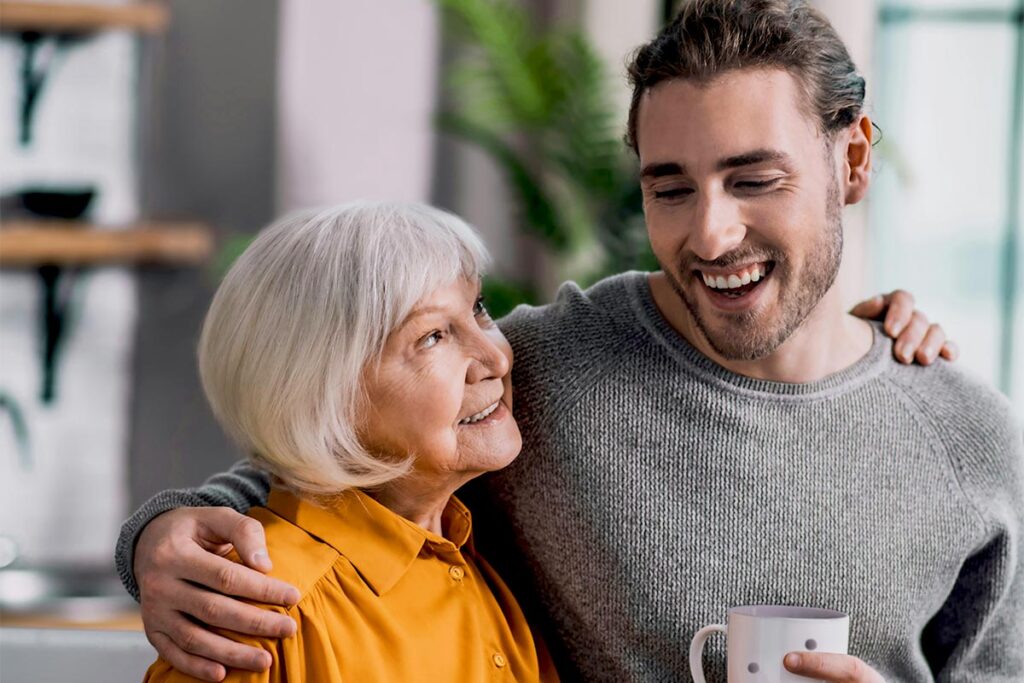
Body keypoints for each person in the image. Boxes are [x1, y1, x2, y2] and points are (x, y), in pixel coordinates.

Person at [118, 1, 1024, 681]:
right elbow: (334, 441)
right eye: (670, 187)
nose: (709, 235)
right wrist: (161, 534)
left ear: (853, 161)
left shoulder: (972, 436)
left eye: (754, 179)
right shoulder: (539, 372)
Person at [142, 202, 557, 681]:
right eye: (433, 337)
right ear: (324, 397)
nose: (495, 358)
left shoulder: (479, 561)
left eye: (478, 309)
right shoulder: (254, 615)